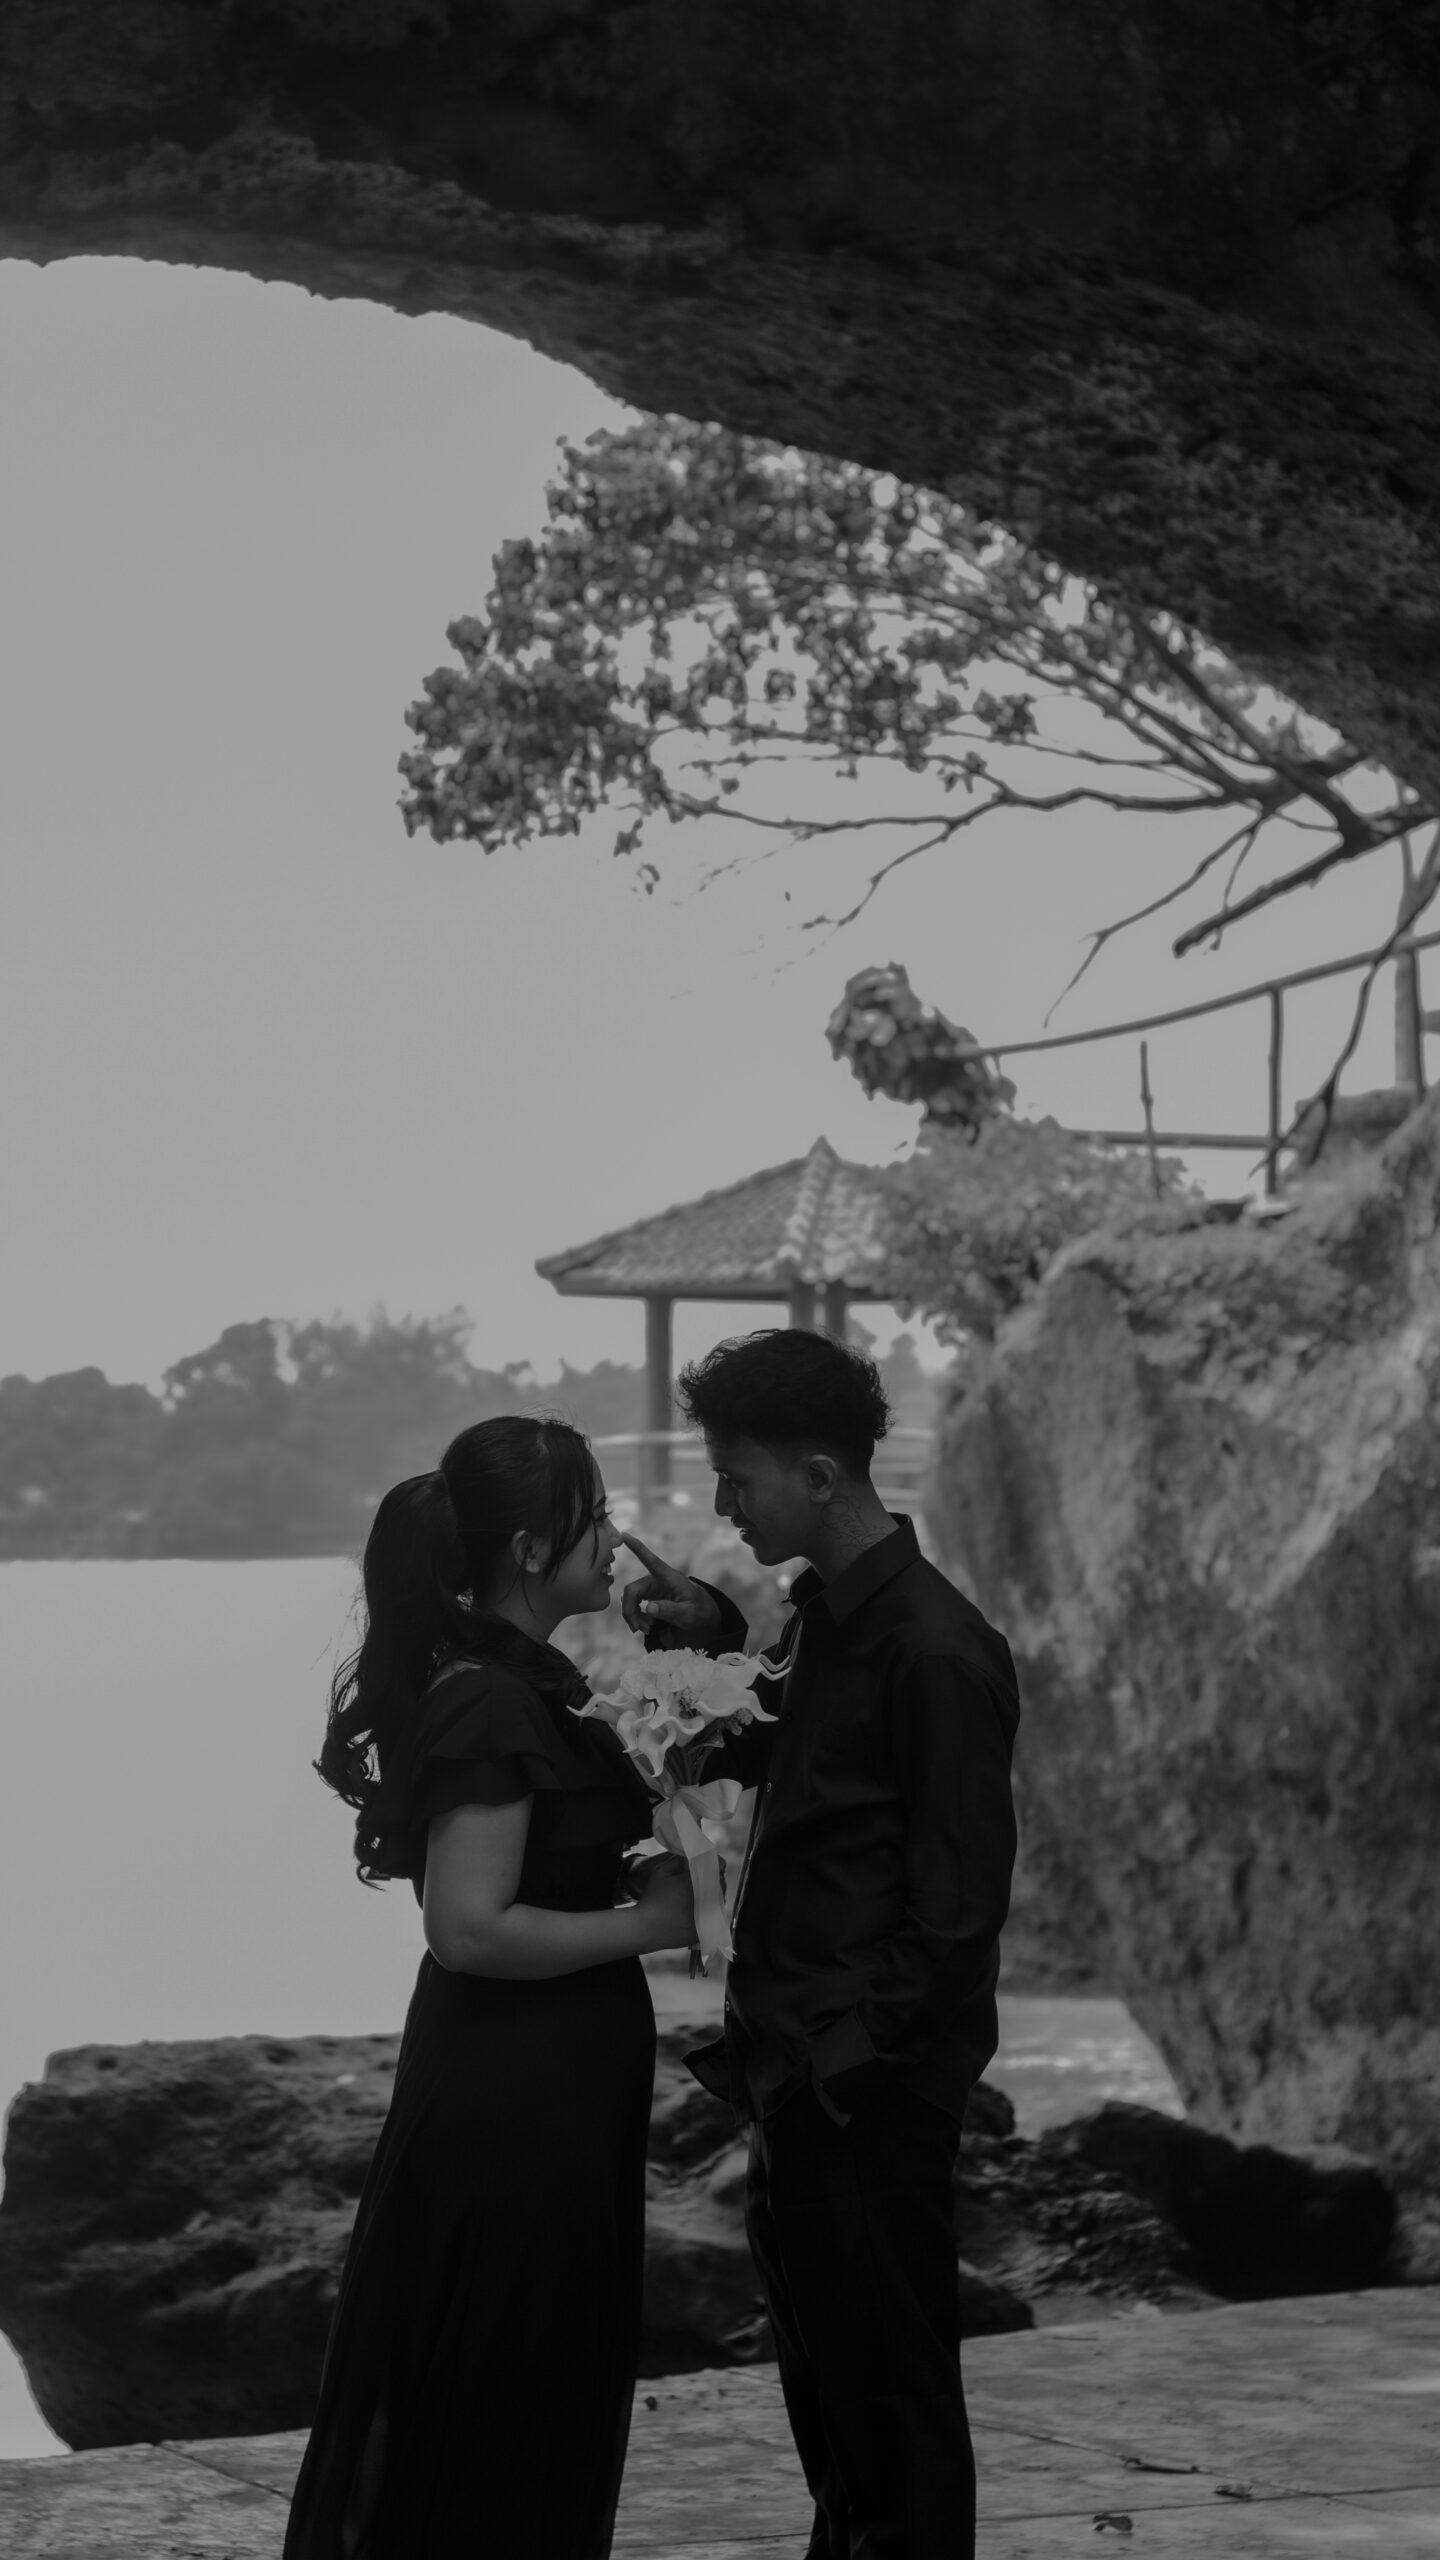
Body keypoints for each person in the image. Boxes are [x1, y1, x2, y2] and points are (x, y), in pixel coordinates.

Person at [622, 1329, 1019, 2560]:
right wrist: (706, 1636)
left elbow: (956, 1920)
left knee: (889, 2404)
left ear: (821, 1475)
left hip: (862, 2089)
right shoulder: (821, 1623)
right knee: (835, 2405)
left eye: (737, 1478)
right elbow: (765, 1740)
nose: (722, 1504)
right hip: (799, 2072)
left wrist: (838, 2064)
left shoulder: (936, 1649)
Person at [283, 1415, 697, 2560]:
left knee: (533, 2389)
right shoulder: (490, 1701)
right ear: (526, 1548)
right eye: (594, 1514)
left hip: (551, 2080)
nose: (614, 1535)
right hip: (514, 2098)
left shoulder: (528, 1683)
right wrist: (652, 1923)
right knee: (502, 2394)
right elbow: (467, 1927)